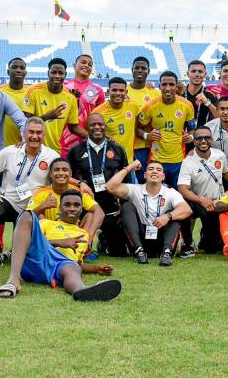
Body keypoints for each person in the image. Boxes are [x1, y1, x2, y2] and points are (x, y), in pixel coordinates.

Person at [0, 190, 121, 301]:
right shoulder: (46, 223)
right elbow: (26, 242)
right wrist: (59, 242)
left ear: (82, 209)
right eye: (67, 205)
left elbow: (79, 264)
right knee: (27, 214)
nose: (72, 208)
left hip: (61, 266)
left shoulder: (83, 234)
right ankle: (13, 281)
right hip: (39, 258)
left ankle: (81, 290)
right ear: (60, 208)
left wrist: (97, 268)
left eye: (76, 205)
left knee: (72, 268)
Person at [0, 118, 59, 264]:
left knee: (30, 255)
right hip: (10, 202)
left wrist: (80, 183)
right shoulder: (10, 152)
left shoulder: (52, 156)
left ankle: (22, 251)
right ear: (24, 133)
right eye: (31, 132)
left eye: (39, 133)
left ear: (44, 135)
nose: (34, 136)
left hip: (35, 205)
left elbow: (62, 175)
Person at [105, 160, 193, 266]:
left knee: (174, 214)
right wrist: (130, 167)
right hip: (141, 238)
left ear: (163, 176)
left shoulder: (171, 192)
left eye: (158, 170)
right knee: (127, 206)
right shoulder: (135, 189)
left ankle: (166, 253)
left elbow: (187, 209)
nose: (154, 171)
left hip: (162, 238)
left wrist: (167, 216)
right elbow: (109, 187)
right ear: (145, 175)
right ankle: (139, 251)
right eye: (150, 169)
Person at [67, 113, 129, 256]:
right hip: (85, 209)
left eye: (100, 124)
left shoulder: (117, 149)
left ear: (105, 126)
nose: (97, 127)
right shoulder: (76, 150)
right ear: (86, 128)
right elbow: (66, 176)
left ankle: (105, 239)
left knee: (119, 253)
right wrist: (80, 183)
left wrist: (122, 205)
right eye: (92, 124)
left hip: (111, 208)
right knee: (77, 251)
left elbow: (126, 181)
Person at [178, 126, 228, 255]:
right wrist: (201, 200)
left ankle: (205, 239)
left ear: (212, 139)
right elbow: (183, 189)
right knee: (183, 206)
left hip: (217, 203)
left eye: (207, 137)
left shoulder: (220, 155)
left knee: (210, 249)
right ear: (194, 141)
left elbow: (227, 175)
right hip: (198, 202)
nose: (203, 141)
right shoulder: (188, 161)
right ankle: (187, 243)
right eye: (199, 138)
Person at [136, 71, 195, 189]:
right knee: (155, 193)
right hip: (156, 160)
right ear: (159, 86)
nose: (168, 88)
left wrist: (191, 137)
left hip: (178, 160)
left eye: (171, 84)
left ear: (176, 86)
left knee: (177, 195)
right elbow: (137, 128)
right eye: (164, 84)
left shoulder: (187, 105)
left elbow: (192, 128)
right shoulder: (150, 106)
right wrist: (147, 136)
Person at [27, 157, 104, 243]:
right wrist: (43, 206)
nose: (61, 173)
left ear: (70, 173)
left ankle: (84, 243)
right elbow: (26, 217)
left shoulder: (78, 192)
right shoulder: (41, 193)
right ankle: (42, 244)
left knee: (91, 215)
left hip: (73, 235)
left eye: (65, 170)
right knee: (38, 215)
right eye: (57, 170)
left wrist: (89, 235)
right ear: (50, 174)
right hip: (50, 236)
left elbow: (100, 212)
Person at [23, 58, 86, 154]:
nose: (57, 76)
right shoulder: (33, 91)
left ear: (65, 75)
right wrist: (46, 117)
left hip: (54, 151)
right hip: (32, 148)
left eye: (60, 73)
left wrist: (95, 138)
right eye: (53, 72)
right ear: (48, 73)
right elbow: (26, 122)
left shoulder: (70, 97)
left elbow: (73, 127)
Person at [61, 54, 105, 158]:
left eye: (90, 64)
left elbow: (101, 116)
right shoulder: (63, 86)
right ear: (74, 65)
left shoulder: (97, 90)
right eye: (83, 62)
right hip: (63, 139)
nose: (86, 66)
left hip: (87, 139)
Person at [91, 77, 142, 163]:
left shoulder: (133, 106)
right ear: (108, 91)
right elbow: (89, 134)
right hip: (107, 163)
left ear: (126, 92)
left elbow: (140, 124)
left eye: (121, 90)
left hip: (128, 162)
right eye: (114, 90)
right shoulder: (98, 112)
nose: (118, 93)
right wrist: (104, 138)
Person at [126, 56, 161, 181]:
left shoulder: (155, 93)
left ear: (148, 71)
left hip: (149, 146)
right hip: (128, 145)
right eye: (137, 68)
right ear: (132, 70)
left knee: (148, 179)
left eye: (143, 68)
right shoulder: (123, 91)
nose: (140, 70)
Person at [0, 57, 28, 146]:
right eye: (14, 67)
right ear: (8, 71)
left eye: (22, 68)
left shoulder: (31, 93)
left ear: (25, 73)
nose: (18, 70)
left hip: (23, 146)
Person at [182, 60, 218, 131]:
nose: (197, 74)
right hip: (181, 138)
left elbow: (219, 116)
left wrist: (207, 102)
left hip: (201, 139)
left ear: (205, 74)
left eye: (200, 71)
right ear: (187, 74)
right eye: (193, 71)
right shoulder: (180, 94)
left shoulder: (210, 95)